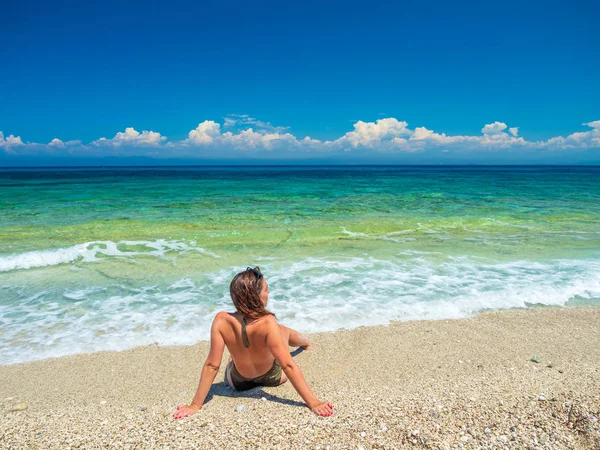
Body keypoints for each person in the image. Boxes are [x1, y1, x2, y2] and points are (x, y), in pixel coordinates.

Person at [173, 266, 334, 418]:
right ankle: (305, 343)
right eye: (265, 289)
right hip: (274, 378)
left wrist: (195, 405)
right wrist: (314, 402)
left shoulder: (221, 320)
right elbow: (288, 365)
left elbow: (212, 365)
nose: (268, 292)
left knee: (234, 356)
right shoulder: (268, 322)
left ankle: (240, 356)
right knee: (282, 331)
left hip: (237, 382)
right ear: (255, 296)